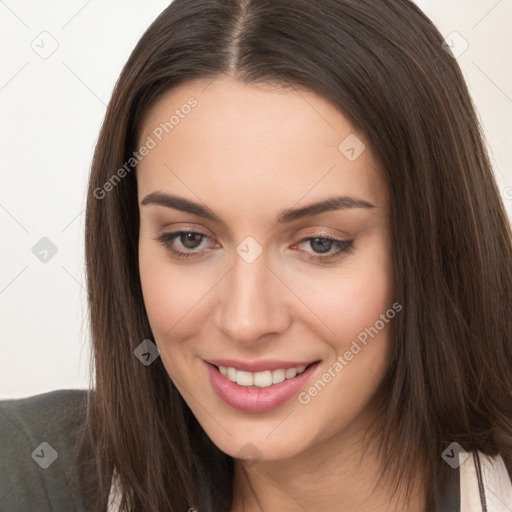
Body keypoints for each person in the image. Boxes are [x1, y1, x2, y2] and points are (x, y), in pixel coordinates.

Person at [1, 0, 512, 510]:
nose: (246, 321)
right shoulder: (25, 473)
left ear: (435, 244)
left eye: (320, 244)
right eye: (190, 238)